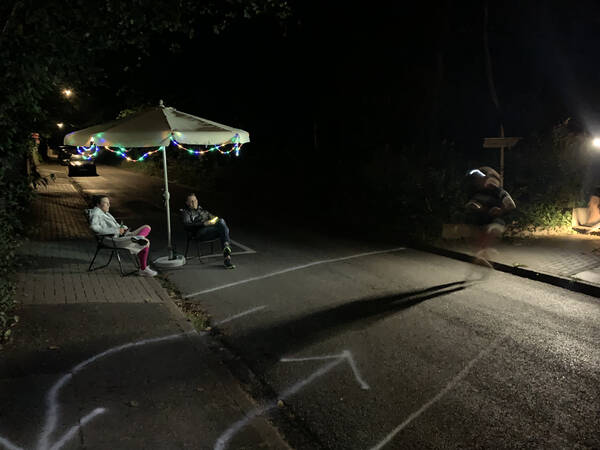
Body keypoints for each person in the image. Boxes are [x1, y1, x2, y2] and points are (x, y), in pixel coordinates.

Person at [88, 195, 157, 277]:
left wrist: (122, 228)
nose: (109, 205)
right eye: (106, 203)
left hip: (119, 236)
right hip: (111, 240)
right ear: (98, 204)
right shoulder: (96, 213)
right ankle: (143, 269)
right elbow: (94, 227)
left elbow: (115, 226)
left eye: (109, 203)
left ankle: (138, 239)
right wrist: (116, 230)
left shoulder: (105, 213)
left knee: (147, 227)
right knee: (146, 242)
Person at [464, 166, 516, 270]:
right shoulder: (479, 193)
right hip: (481, 221)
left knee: (492, 228)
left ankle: (483, 252)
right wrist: (477, 207)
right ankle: (481, 254)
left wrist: (500, 210)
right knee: (476, 229)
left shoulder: (500, 193)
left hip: (496, 221)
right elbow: (470, 204)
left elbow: (511, 205)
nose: (489, 186)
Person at [181, 193, 235, 269]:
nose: (194, 203)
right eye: (191, 201)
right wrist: (204, 224)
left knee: (222, 223)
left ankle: (227, 258)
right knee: (224, 229)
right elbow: (187, 225)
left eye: (195, 200)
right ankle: (227, 248)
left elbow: (215, 218)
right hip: (198, 233)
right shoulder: (186, 213)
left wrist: (213, 221)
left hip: (209, 232)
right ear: (187, 203)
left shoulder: (202, 211)